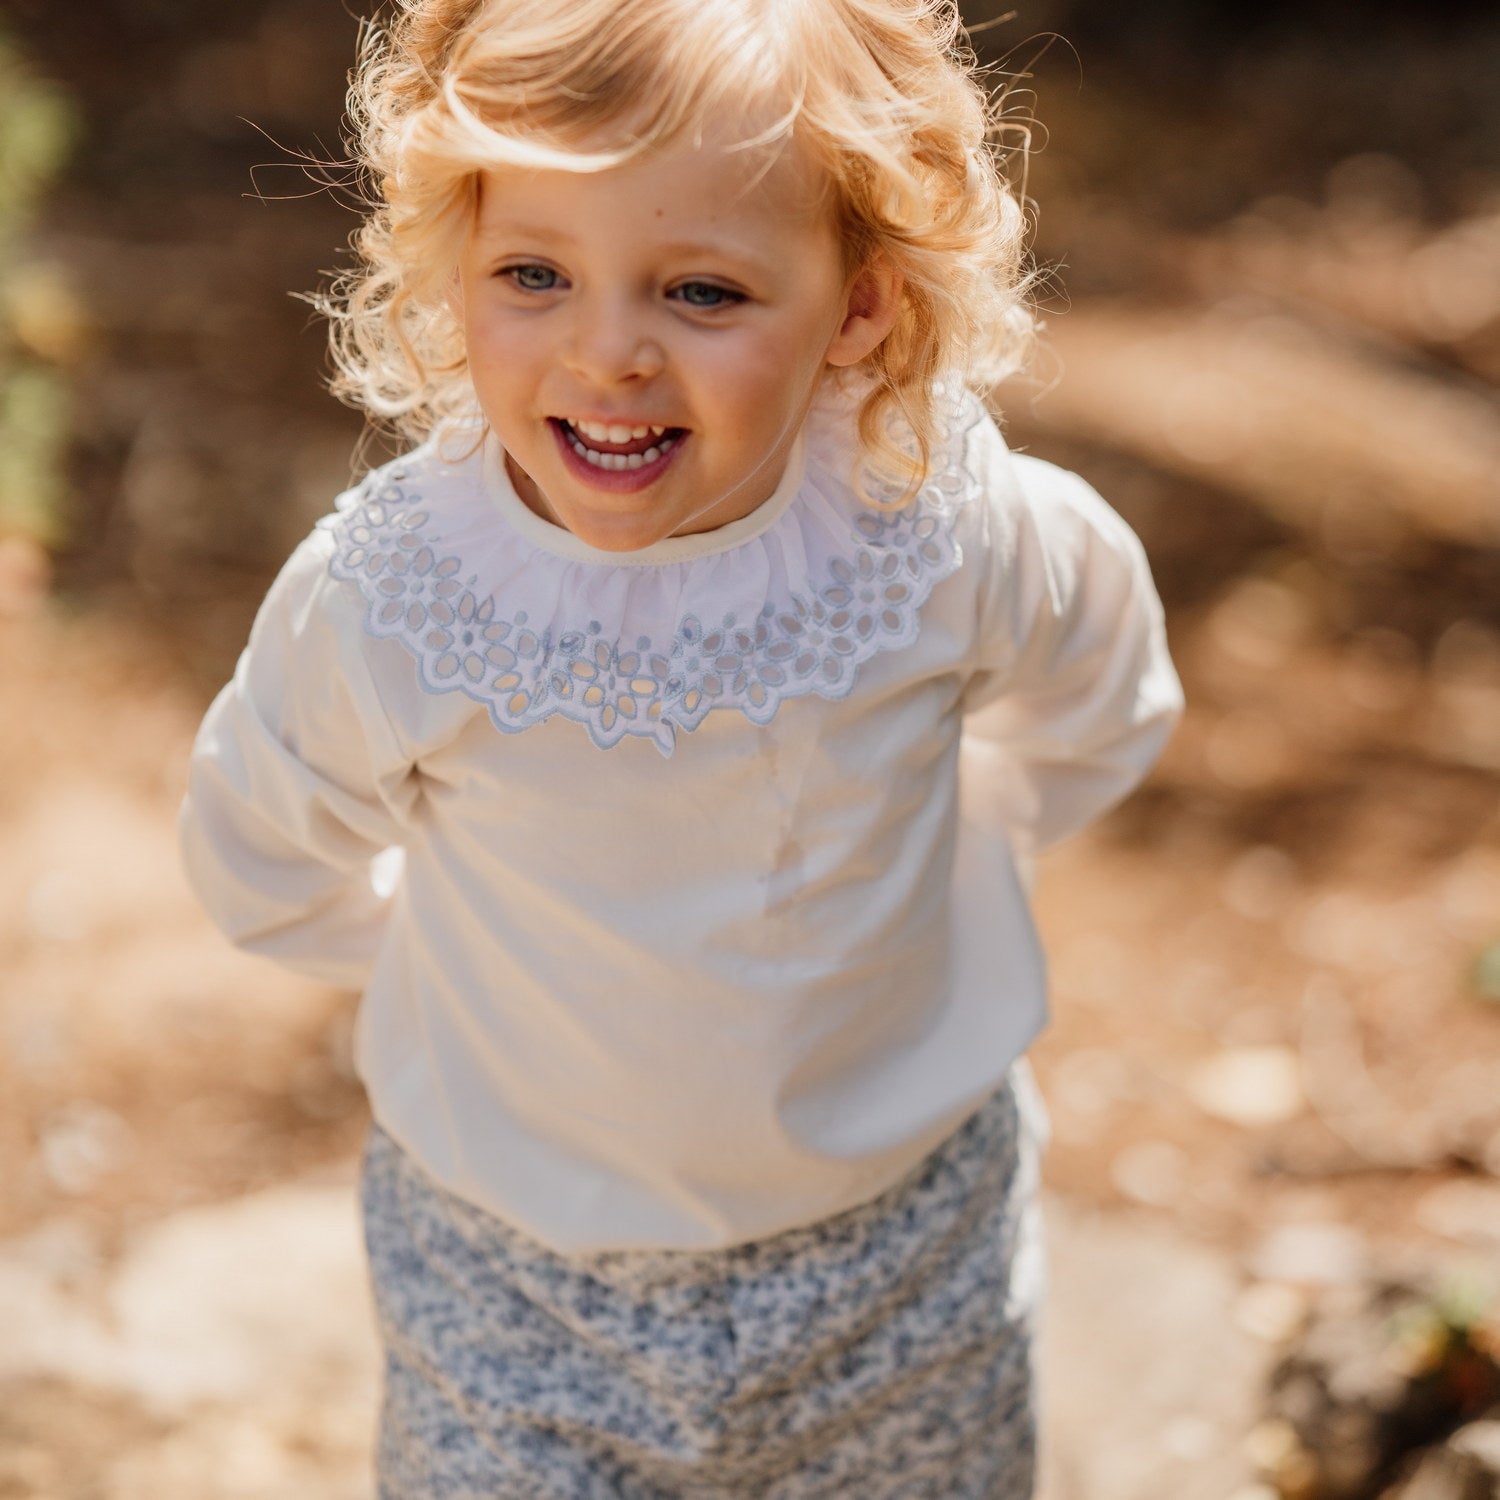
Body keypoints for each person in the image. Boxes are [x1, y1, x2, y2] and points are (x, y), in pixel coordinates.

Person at [179, 0, 1185, 1493]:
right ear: (455, 267)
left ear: (859, 307)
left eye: (702, 291)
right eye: (533, 273)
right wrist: (452, 962)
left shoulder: (938, 529)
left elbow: (1101, 684)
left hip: (905, 1259)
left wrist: (963, 845)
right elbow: (259, 855)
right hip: (518, 1290)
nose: (607, 354)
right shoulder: (399, 603)